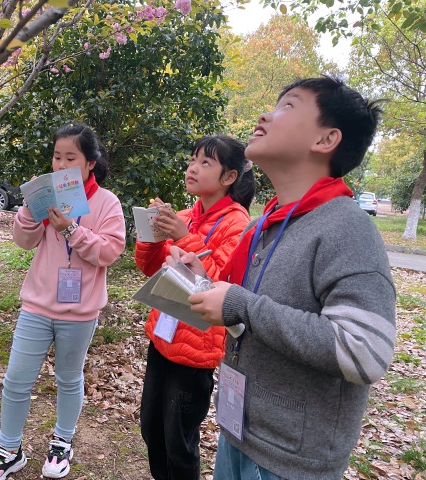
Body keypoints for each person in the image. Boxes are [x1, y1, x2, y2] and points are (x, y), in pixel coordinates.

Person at [170, 76, 396, 480]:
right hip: (238, 436)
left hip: (291, 462)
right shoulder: (266, 226)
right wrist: (204, 282)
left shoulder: (347, 228)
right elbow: (245, 313)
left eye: (288, 106)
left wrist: (240, 303)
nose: (264, 115)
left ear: (326, 140)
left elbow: (364, 351)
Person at [0, 124, 126, 480]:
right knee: (16, 380)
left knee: (69, 378)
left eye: (70, 158)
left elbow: (110, 250)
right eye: (57, 157)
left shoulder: (106, 203)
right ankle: (8, 450)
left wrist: (71, 230)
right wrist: (30, 209)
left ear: (90, 163)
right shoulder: (49, 197)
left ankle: (62, 442)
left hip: (80, 311)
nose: (60, 164)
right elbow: (24, 241)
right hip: (37, 306)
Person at [135, 135, 255, 480]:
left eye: (206, 162)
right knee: (151, 429)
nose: (193, 168)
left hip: (196, 348)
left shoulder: (238, 223)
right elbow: (150, 267)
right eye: (192, 159)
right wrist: (149, 234)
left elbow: (217, 282)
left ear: (229, 177)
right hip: (162, 337)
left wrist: (183, 234)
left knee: (179, 440)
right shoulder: (185, 215)